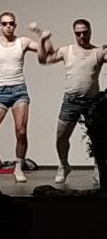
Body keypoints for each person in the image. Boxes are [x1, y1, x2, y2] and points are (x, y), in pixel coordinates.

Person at [0, 12, 42, 183]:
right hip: (0, 92)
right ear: (0, 26)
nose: (8, 26)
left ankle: (18, 166)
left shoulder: (23, 42)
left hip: (19, 90)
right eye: (5, 24)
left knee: (21, 131)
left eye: (11, 23)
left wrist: (40, 33)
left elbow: (45, 50)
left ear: (15, 25)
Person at [38, 19, 107, 183]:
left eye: (85, 32)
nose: (82, 36)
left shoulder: (98, 52)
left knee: (97, 137)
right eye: (78, 33)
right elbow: (43, 59)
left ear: (90, 31)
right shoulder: (66, 50)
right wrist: (42, 40)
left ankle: (98, 168)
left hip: (92, 102)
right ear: (74, 33)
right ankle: (63, 165)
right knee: (61, 136)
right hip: (71, 101)